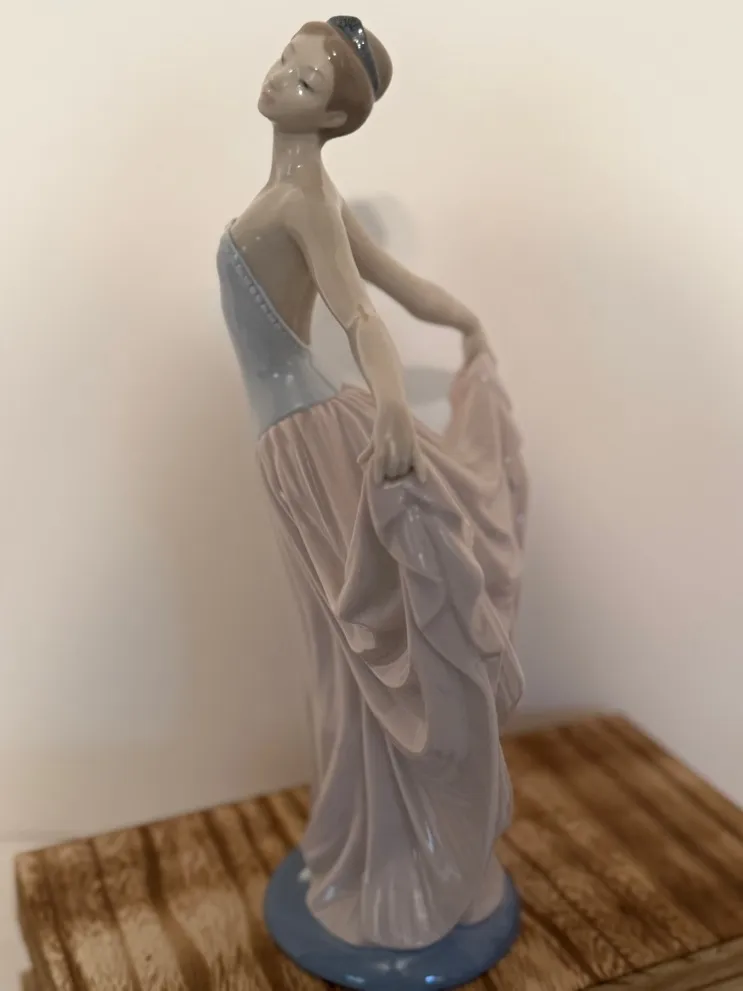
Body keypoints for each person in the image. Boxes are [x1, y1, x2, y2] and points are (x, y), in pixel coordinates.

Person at [216, 15, 528, 951]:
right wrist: (464, 318)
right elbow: (397, 282)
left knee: (353, 654)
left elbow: (362, 316)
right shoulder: (305, 196)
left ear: (332, 117)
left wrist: (394, 405)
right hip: (300, 439)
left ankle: (393, 854)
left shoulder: (302, 202)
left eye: (306, 80)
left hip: (309, 440)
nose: (280, 78)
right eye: (287, 59)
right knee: (341, 653)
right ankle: (366, 839)